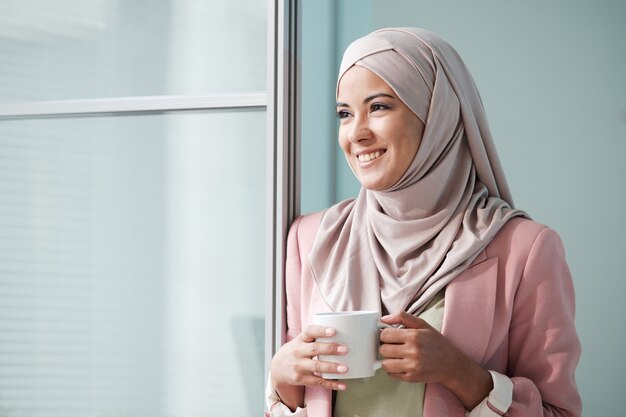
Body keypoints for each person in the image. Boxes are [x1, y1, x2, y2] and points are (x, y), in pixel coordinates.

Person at [265, 27, 581, 417]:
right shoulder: (311, 239)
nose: (356, 134)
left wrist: (460, 374)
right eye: (345, 114)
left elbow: (558, 411)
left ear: (437, 113)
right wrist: (281, 379)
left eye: (379, 107)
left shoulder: (524, 248)